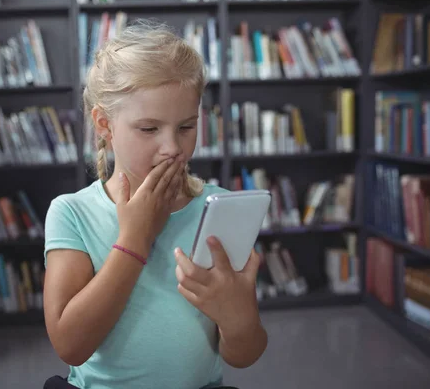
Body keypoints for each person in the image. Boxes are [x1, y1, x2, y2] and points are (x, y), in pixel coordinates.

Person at [43, 19, 267, 389]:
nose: (173, 148)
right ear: (104, 124)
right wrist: (136, 238)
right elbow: (70, 346)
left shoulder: (220, 208)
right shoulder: (71, 213)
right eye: (149, 129)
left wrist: (238, 315)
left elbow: (245, 355)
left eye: (186, 127)